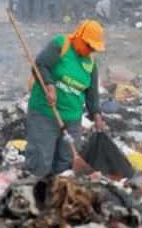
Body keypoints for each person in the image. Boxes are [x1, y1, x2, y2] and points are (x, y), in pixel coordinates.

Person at [25, 20, 107, 178]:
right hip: (45, 114)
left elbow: (92, 91)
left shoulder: (91, 62)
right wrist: (49, 87)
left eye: (93, 48)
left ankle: (59, 197)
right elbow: (40, 65)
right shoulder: (61, 44)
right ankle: (36, 195)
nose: (90, 50)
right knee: (41, 161)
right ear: (79, 35)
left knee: (66, 164)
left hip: (72, 119)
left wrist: (96, 114)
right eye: (88, 45)